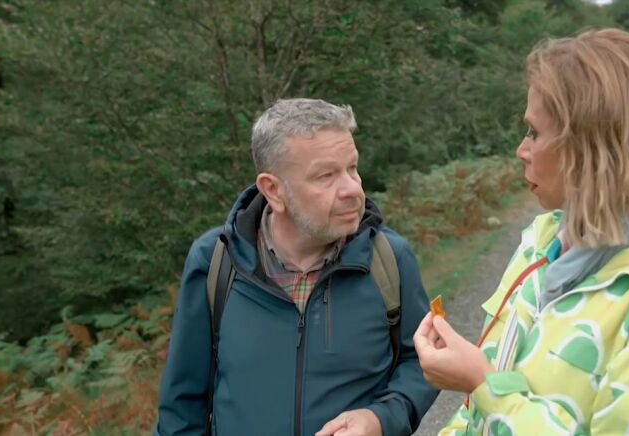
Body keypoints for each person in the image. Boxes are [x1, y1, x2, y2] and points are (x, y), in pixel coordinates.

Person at [414, 28, 629, 435]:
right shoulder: (543, 241)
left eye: (534, 132)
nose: (522, 150)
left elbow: (489, 392)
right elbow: (475, 416)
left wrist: (484, 386)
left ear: (593, 149)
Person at [156, 98, 438, 436]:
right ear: (274, 190)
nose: (353, 189)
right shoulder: (216, 262)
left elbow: (423, 362)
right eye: (326, 176)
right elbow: (181, 407)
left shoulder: (388, 259)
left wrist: (380, 419)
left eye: (352, 168)